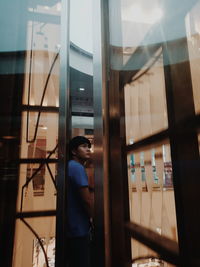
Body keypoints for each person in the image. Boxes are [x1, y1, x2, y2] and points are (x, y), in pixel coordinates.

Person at [67, 136, 94, 267]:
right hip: (79, 229)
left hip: (72, 227)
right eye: (84, 146)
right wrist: (93, 217)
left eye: (88, 146)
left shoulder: (69, 166)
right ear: (74, 151)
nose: (88, 149)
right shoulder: (77, 167)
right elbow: (86, 200)